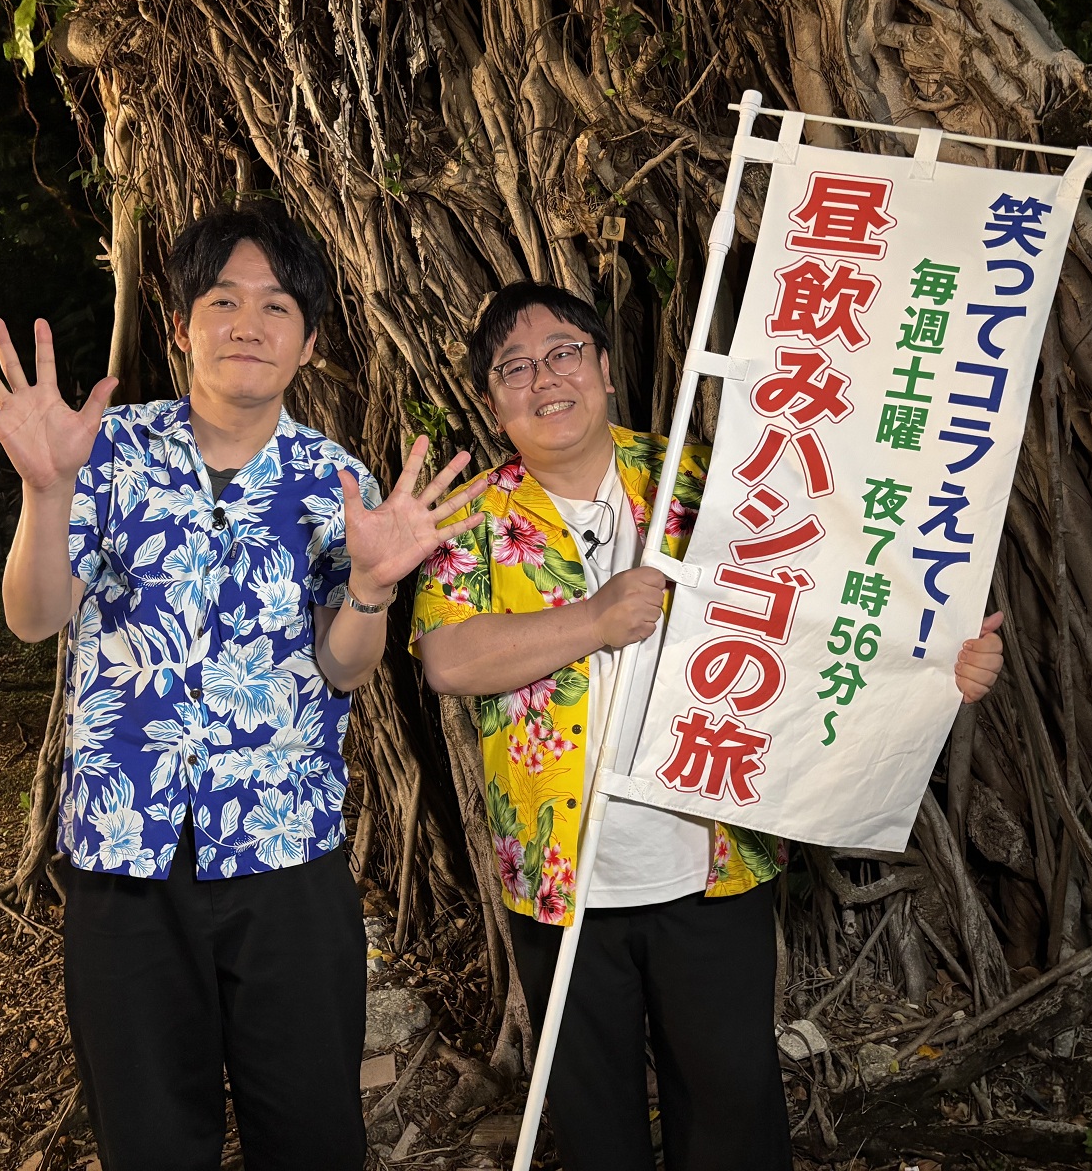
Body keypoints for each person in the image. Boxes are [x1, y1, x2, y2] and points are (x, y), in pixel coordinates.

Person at [411, 281, 1005, 1171]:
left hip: (711, 859)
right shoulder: (473, 519)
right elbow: (449, 659)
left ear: (605, 370)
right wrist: (596, 621)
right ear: (495, 404)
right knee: (596, 1119)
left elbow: (818, 614)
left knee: (731, 1109)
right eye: (516, 368)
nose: (546, 380)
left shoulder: (702, 480)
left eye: (565, 353)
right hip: (558, 879)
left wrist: (935, 671)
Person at [0, 204, 485, 1171]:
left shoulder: (337, 481)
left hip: (285, 846)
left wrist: (368, 588)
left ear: (310, 341)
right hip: (125, 851)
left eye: (277, 306)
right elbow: (34, 617)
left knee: (313, 1129)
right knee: (150, 1135)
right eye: (224, 299)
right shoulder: (102, 452)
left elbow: (343, 667)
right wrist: (43, 490)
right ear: (182, 322)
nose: (248, 322)